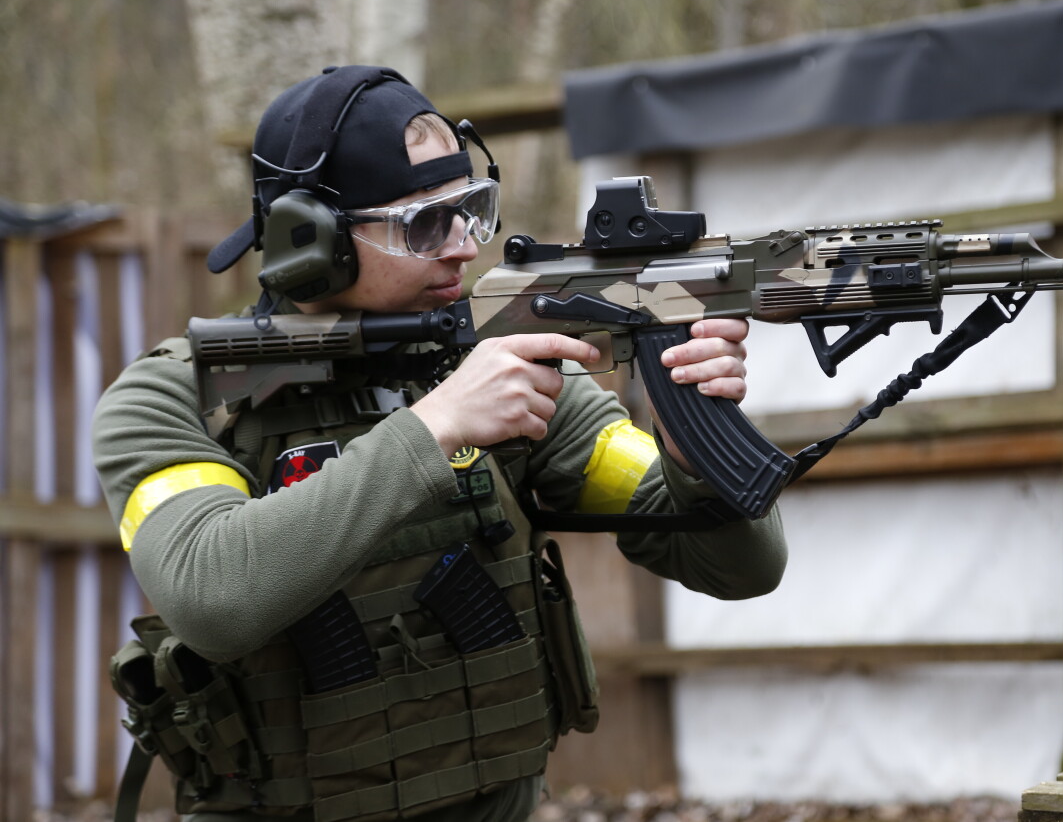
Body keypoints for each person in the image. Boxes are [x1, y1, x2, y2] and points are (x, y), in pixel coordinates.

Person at [93, 65, 786, 822]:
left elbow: (739, 568)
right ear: (311, 241)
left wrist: (692, 448)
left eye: (470, 211)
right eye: (424, 224)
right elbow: (211, 598)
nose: (462, 246)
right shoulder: (176, 398)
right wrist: (434, 428)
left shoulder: (503, 365)